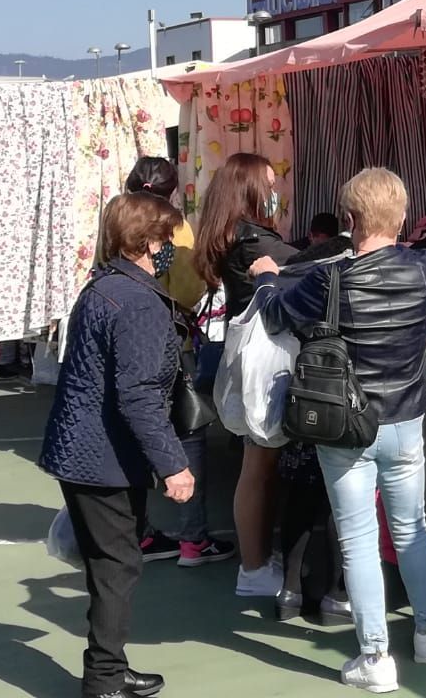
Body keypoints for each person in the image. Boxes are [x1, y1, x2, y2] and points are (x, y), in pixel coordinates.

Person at [255, 168, 426, 692]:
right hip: (406, 417)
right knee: (411, 527)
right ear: (403, 215)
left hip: (344, 423)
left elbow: (277, 317)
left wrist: (267, 277)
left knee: (358, 537)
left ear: (348, 220)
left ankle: (374, 656)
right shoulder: (425, 268)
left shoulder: (328, 279)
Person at [39, 192, 196, 698]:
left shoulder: (102, 287)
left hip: (82, 448)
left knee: (110, 563)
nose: (171, 245)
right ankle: (104, 677)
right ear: (148, 241)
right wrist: (174, 465)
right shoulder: (138, 302)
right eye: (167, 237)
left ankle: (109, 666)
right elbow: (139, 396)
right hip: (101, 456)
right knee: (116, 567)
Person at [122, 158, 234, 570]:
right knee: (188, 432)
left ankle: (139, 531)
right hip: (171, 341)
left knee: (131, 432)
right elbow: (187, 291)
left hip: (123, 339)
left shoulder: (115, 220)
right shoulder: (175, 228)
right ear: (173, 191)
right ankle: (192, 540)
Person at [193, 153, 296, 597]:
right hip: (265, 363)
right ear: (251, 189)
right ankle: (254, 568)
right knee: (259, 464)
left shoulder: (235, 236)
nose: (276, 194)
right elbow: (305, 269)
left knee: (260, 463)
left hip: (250, 360)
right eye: (270, 185)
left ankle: (257, 563)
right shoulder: (252, 241)